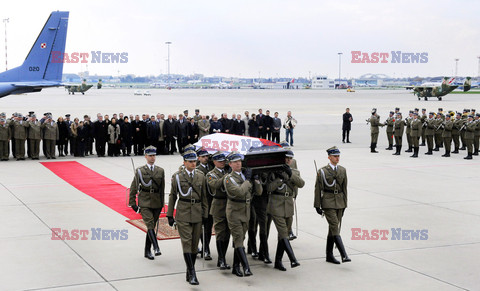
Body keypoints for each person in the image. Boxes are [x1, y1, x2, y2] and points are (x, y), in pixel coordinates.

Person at [167, 150, 208, 285]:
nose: (193, 163)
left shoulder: (201, 176)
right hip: (183, 213)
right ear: (184, 162)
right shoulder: (178, 177)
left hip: (197, 213)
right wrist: (169, 215)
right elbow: (173, 195)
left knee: (195, 246)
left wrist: (205, 214)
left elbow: (204, 197)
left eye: (194, 161)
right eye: (190, 161)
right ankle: (193, 273)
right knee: (187, 242)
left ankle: (188, 272)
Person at [224, 151, 262, 277]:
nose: (238, 163)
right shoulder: (229, 178)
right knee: (238, 238)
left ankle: (236, 267)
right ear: (230, 164)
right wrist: (248, 180)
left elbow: (259, 192)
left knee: (240, 239)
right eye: (235, 162)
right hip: (234, 212)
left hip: (246, 211)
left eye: (239, 161)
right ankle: (246, 267)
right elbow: (240, 192)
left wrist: (256, 180)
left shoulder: (245, 175)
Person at [267, 150, 304, 271]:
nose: (288, 160)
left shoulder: (294, 172)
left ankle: (278, 261)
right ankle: (293, 259)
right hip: (276, 204)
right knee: (283, 233)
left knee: (284, 235)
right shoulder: (273, 171)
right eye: (286, 158)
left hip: (288, 204)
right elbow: (268, 188)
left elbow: (301, 184)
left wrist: (290, 174)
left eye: (290, 158)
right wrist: (279, 179)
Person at [314, 146, 351, 264]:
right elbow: (318, 189)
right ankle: (343, 254)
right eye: (335, 156)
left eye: (338, 156)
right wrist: (317, 205)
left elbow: (345, 188)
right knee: (335, 226)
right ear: (329, 157)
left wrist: (345, 204)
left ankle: (329, 255)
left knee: (332, 229)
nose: (337, 158)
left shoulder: (342, 170)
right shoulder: (322, 171)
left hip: (339, 202)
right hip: (328, 202)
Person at [129, 146, 165, 260]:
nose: (152, 157)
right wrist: (133, 203)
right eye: (150, 155)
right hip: (144, 200)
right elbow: (133, 187)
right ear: (145, 156)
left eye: (154, 155)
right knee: (149, 224)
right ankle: (156, 247)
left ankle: (147, 250)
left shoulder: (160, 170)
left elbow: (162, 188)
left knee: (152, 226)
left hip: (156, 202)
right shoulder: (140, 170)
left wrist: (162, 203)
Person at [206, 151, 231, 270]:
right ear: (214, 162)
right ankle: (221, 259)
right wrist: (227, 176)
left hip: (229, 204)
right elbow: (215, 185)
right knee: (220, 232)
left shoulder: (228, 172)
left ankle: (223, 257)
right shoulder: (211, 174)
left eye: (224, 161)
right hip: (218, 205)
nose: (222, 163)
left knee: (227, 233)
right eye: (220, 161)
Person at [196, 148, 213, 260]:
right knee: (200, 226)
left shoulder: (212, 167)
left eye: (206, 156)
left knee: (209, 226)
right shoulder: (197, 170)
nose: (205, 158)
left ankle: (206, 247)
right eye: (203, 157)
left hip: (211, 202)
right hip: (202, 202)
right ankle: (204, 248)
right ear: (198, 158)